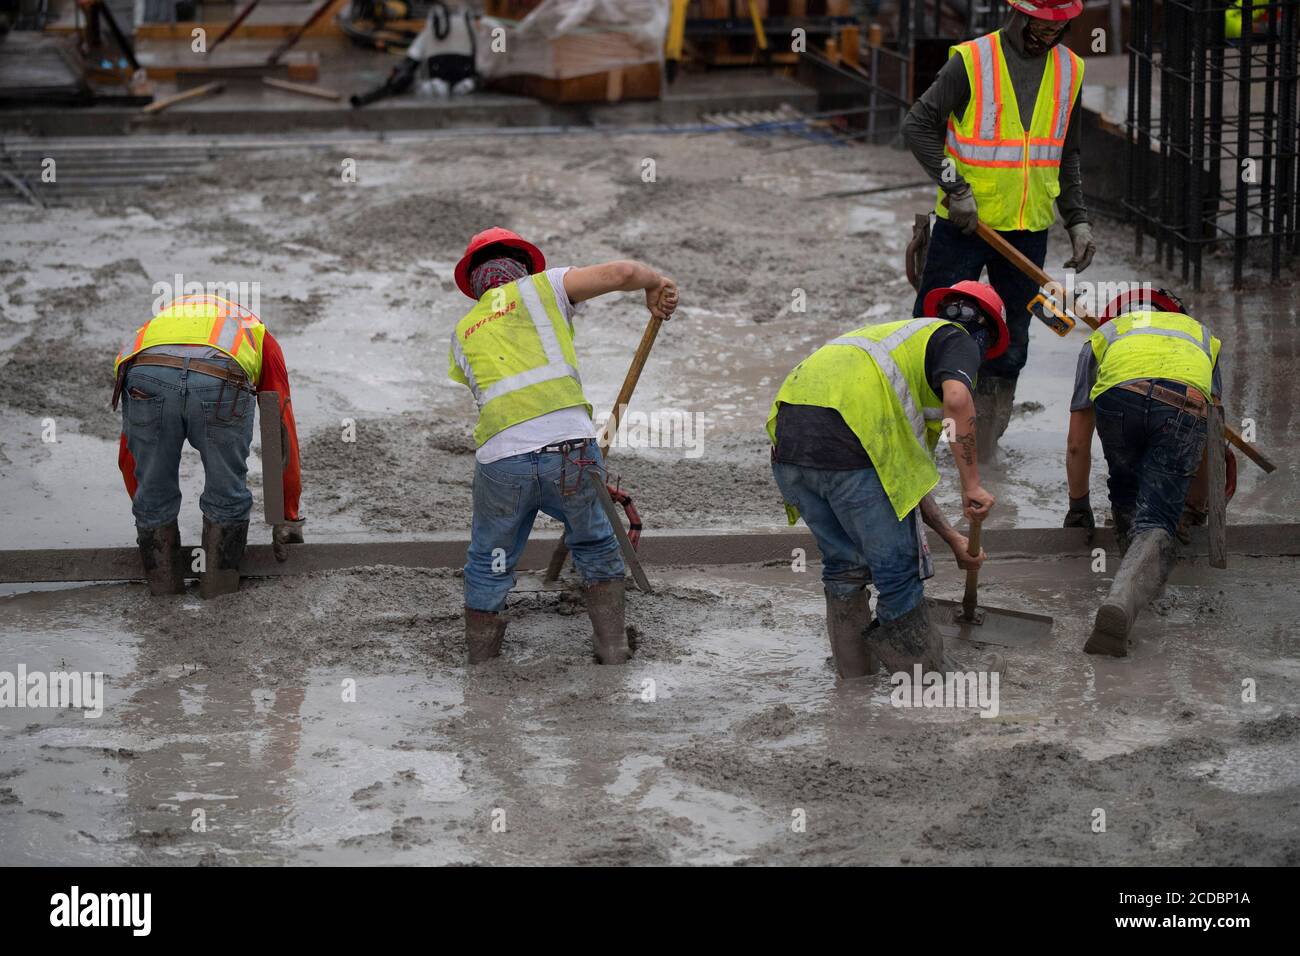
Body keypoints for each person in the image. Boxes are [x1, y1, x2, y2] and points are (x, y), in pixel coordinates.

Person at [448, 227, 678, 665]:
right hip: (570, 451)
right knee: (593, 541)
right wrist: (654, 284)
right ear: (522, 267)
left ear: (475, 283)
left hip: (501, 459)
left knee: (489, 556)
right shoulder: (542, 288)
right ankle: (612, 648)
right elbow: (621, 272)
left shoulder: (462, 331)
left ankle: (481, 662)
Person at [766, 280, 1006, 678]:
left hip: (790, 444)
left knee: (844, 566)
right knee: (897, 573)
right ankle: (924, 682)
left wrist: (952, 538)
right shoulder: (956, 338)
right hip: (848, 443)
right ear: (984, 337)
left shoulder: (893, 350)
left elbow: (901, 484)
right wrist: (971, 484)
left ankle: (855, 682)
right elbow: (958, 402)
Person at [903, 0, 1092, 459]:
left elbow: (1066, 151)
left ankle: (981, 446)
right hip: (966, 225)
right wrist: (955, 188)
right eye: (1042, 25)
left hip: (1028, 229)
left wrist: (1078, 219)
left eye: (1059, 27)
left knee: (1014, 336)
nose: (1049, 35)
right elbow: (918, 125)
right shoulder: (971, 61)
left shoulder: (1072, 70)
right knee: (940, 327)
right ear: (1018, 15)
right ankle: (919, 436)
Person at [1063, 287, 1223, 656]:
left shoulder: (1104, 336)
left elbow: (1076, 442)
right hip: (1183, 405)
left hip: (1120, 399)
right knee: (1159, 521)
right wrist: (1194, 508)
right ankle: (1125, 601)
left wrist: (1079, 505)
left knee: (1125, 489)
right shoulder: (1202, 338)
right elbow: (1209, 441)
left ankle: (1126, 585)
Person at [114, 293, 304, 598]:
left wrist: (145, 501)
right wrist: (287, 516)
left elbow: (130, 453)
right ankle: (219, 596)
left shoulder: (157, 325)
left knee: (154, 491)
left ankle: (163, 599)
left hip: (147, 375)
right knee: (226, 492)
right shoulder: (256, 331)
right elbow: (278, 428)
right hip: (220, 382)